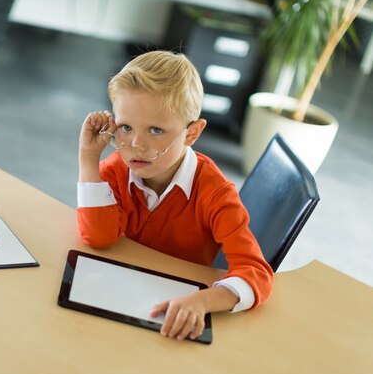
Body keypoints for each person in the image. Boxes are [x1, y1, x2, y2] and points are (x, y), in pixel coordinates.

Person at [77, 50, 273, 341]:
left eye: (156, 130)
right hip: (121, 300)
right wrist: (88, 158)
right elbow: (99, 237)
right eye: (126, 127)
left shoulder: (215, 193)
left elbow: (256, 271)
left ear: (192, 133)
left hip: (173, 321)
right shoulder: (115, 170)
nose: (136, 145)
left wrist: (204, 301)